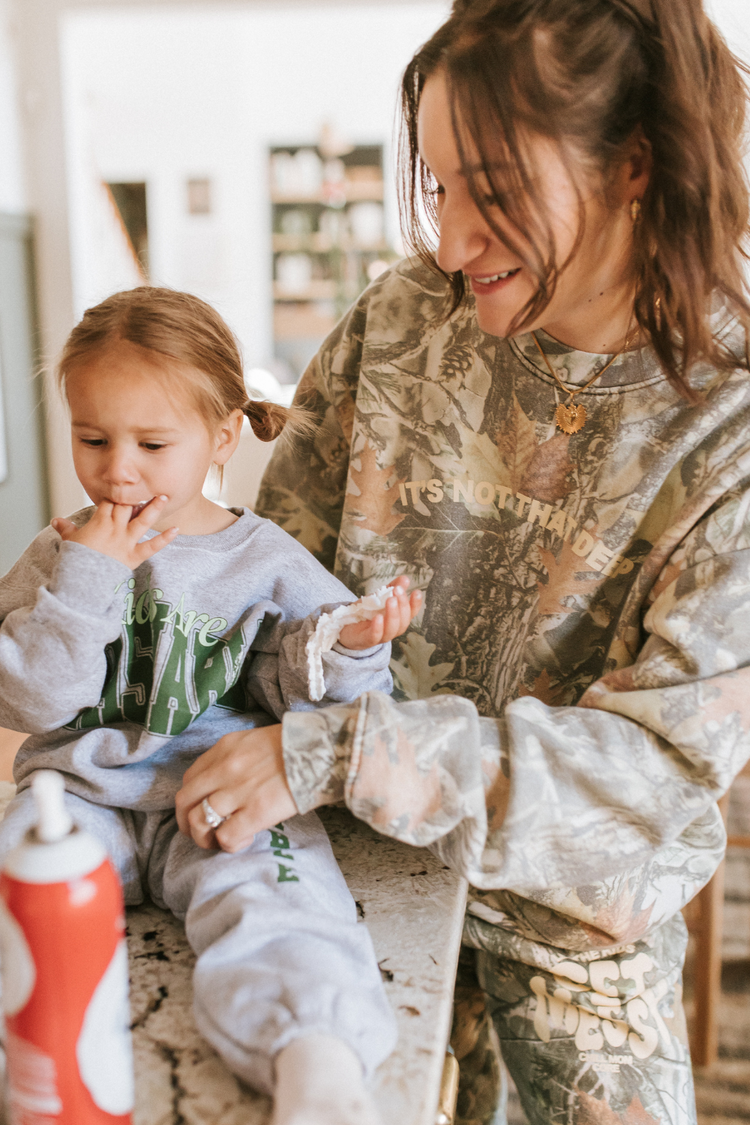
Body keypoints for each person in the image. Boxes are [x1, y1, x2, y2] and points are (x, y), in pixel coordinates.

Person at [175, 1, 750, 1123]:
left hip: (576, 943)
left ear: (634, 164)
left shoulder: (731, 423)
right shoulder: (400, 319)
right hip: (338, 882)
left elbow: (654, 775)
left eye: (492, 192)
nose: (448, 244)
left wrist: (340, 752)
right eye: (435, 188)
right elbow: (266, 587)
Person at [0, 287, 422, 1125]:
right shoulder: (59, 550)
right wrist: (88, 576)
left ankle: (317, 1069)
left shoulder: (264, 556)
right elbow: (34, 697)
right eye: (93, 438)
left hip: (221, 794)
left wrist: (352, 644)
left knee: (287, 902)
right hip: (78, 799)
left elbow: (332, 699)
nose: (118, 469)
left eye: (154, 443)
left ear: (223, 436)